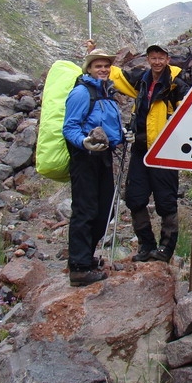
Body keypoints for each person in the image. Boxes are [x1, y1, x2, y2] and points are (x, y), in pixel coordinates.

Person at [109, 44, 190, 263]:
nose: (156, 62)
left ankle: (166, 249)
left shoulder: (176, 84)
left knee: (166, 202)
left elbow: (188, 113)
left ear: (167, 59)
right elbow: (117, 78)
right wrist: (93, 56)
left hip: (165, 151)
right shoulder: (142, 80)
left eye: (160, 57)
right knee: (135, 199)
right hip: (140, 150)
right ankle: (146, 245)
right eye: (153, 57)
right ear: (148, 59)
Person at [63, 48, 133, 286]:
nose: (102, 69)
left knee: (106, 210)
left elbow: (109, 127)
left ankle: (84, 256)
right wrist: (84, 142)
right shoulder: (81, 93)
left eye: (106, 66)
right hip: (84, 158)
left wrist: (123, 136)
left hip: (104, 157)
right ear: (89, 69)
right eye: (98, 66)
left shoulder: (106, 92)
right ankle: (79, 268)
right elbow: (70, 127)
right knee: (85, 210)